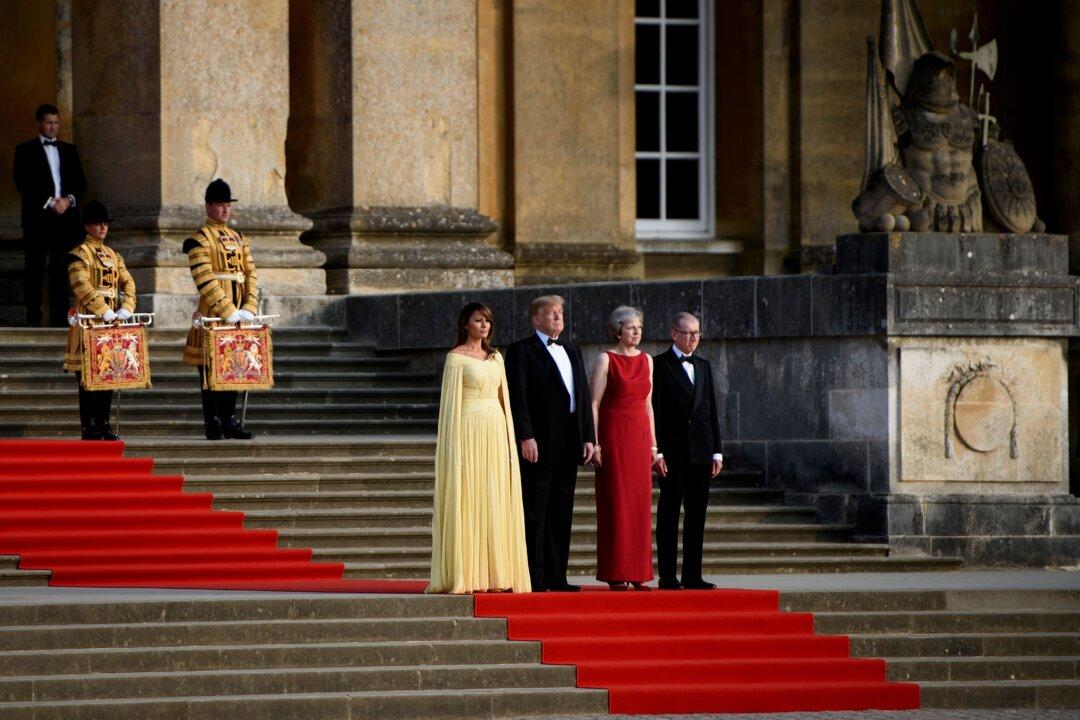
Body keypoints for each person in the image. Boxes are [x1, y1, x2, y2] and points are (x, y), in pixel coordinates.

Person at [427, 303, 531, 594]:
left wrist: (511, 443)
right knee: (471, 497)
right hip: (469, 431)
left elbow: (504, 401)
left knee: (494, 497)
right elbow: (449, 409)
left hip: (496, 430)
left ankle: (497, 573)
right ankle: (469, 573)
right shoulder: (455, 358)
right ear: (465, 324)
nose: (484, 325)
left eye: (487, 320)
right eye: (478, 320)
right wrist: (453, 449)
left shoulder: (497, 357)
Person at [505, 295, 596, 592]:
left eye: (560, 313)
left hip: (570, 439)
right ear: (536, 319)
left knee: (561, 508)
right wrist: (525, 435)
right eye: (551, 313)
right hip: (539, 441)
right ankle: (534, 576)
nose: (558, 318)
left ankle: (558, 575)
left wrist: (588, 437)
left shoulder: (571, 348)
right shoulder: (521, 350)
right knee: (536, 508)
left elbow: (581, 394)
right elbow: (517, 396)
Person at [181, 179, 258, 441]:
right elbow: (204, 279)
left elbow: (251, 275)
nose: (225, 210)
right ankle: (212, 420)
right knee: (210, 372)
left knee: (235, 368)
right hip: (213, 315)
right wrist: (227, 310)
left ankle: (229, 419)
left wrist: (249, 306)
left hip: (239, 314)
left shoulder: (239, 239)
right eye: (219, 205)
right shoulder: (198, 240)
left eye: (227, 205)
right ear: (208, 207)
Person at [651, 312, 723, 590]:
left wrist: (717, 450)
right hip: (673, 452)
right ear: (674, 334)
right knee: (669, 514)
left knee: (697, 515)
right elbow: (653, 411)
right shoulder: (658, 365)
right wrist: (656, 451)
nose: (693, 339)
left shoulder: (704, 365)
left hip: (702, 450)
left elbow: (711, 408)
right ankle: (668, 576)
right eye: (688, 333)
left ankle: (693, 574)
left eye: (697, 333)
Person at [589, 306, 656, 591]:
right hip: (614, 435)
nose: (636, 332)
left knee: (640, 505)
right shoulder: (606, 359)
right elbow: (593, 403)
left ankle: (639, 572)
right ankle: (617, 571)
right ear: (618, 330)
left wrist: (654, 444)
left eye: (639, 327)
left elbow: (648, 404)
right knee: (616, 503)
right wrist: (596, 443)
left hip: (640, 437)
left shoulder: (648, 360)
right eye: (630, 327)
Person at [62, 201, 135, 440]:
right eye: (97, 224)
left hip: (111, 322)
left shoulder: (114, 255)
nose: (102, 229)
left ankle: (104, 422)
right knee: (87, 378)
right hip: (89, 322)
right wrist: (103, 310)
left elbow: (129, 283)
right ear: (87, 227)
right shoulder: (78, 254)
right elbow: (82, 286)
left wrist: (126, 307)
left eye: (105, 224)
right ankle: (89, 425)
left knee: (109, 374)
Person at [13, 103, 87, 327]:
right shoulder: (24, 150)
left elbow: (81, 182)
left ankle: (60, 318)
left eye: (56, 123)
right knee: (34, 268)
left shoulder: (69, 150)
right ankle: (33, 317)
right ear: (39, 124)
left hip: (66, 220)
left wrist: (68, 200)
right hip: (38, 218)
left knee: (62, 269)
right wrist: (49, 201)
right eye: (48, 122)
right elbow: (22, 182)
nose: (53, 127)